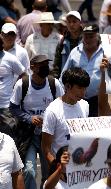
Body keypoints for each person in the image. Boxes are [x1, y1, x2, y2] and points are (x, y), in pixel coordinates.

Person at [10, 55, 64, 189]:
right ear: (32, 67)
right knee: (29, 170)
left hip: (48, 136)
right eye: (42, 66)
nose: (45, 68)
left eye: (47, 65)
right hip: (29, 136)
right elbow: (13, 107)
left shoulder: (54, 84)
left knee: (49, 172)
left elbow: (62, 105)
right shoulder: (22, 84)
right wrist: (29, 118)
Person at [42, 67, 90, 166]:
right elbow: (46, 148)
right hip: (61, 168)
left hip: (80, 166)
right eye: (80, 88)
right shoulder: (52, 111)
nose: (83, 92)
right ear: (67, 86)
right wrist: (57, 168)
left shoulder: (85, 105)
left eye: (85, 88)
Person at [61, 24, 103, 117]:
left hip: (98, 101)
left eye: (91, 36)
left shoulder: (105, 53)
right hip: (76, 101)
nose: (87, 40)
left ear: (97, 36)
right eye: (85, 37)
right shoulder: (75, 52)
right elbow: (64, 75)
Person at [0, 36, 25, 137]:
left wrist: (16, 89)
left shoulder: (10, 58)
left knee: (9, 137)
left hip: (6, 107)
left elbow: (24, 75)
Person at [51, 11, 82, 79]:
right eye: (69, 22)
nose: (71, 24)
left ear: (80, 23)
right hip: (66, 81)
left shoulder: (86, 40)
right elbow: (57, 65)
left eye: (74, 22)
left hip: (82, 80)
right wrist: (55, 81)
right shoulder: (62, 42)